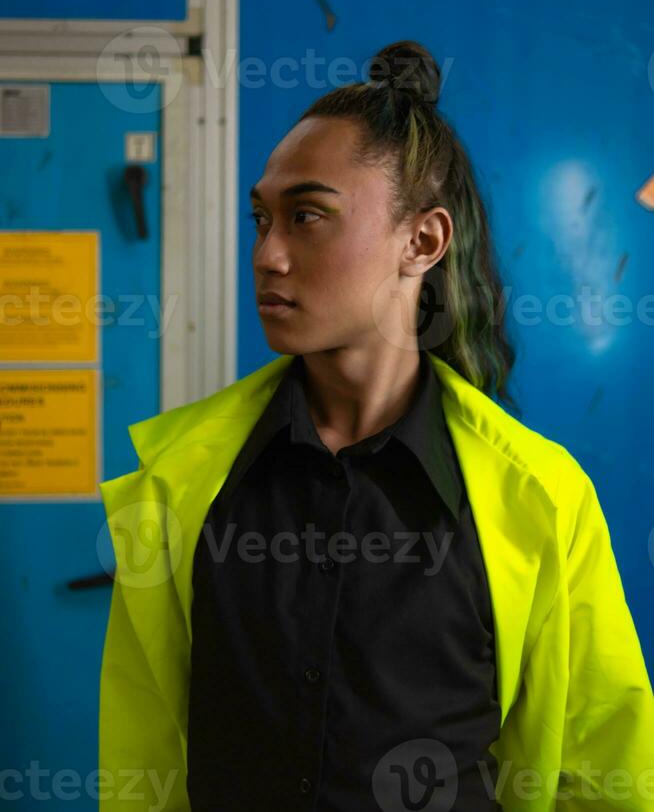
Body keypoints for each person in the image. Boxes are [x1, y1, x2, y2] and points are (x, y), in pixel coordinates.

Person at [98, 41, 654, 811]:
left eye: (308, 217)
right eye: (262, 218)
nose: (267, 254)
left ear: (422, 242)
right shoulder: (180, 483)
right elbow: (142, 765)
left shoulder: (540, 500)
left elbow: (604, 776)